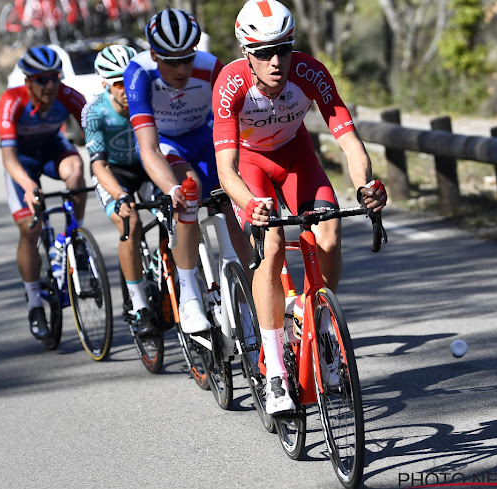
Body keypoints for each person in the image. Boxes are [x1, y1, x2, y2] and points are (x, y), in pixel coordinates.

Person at [213, 0, 387, 414]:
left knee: (329, 231)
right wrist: (250, 204)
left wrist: (366, 184)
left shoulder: (309, 71)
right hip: (250, 165)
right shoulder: (231, 84)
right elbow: (226, 169)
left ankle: (321, 325)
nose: (276, 61)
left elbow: (348, 139)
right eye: (264, 53)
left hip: (296, 158)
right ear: (245, 53)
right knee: (271, 246)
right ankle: (274, 370)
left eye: (284, 49)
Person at [122, 8, 230, 336]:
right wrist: (171, 189)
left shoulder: (211, 68)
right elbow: (148, 148)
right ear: (154, 54)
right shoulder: (139, 72)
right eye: (172, 61)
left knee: (231, 201)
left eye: (187, 58)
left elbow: (234, 127)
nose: (182, 69)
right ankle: (190, 296)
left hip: (205, 136)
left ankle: (238, 280)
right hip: (167, 144)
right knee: (189, 187)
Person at [0, 45, 88, 341]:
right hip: (22, 161)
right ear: (28, 81)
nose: (50, 85)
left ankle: (74, 238)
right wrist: (27, 186)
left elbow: (93, 133)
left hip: (51, 148)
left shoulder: (68, 94)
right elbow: (8, 158)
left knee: (76, 171)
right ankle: (34, 300)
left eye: (55, 77)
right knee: (29, 228)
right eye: (41, 79)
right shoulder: (12, 101)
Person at [83, 44, 158, 337]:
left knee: (173, 212)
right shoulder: (95, 112)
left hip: (147, 166)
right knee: (131, 223)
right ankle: (138, 306)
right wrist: (119, 195)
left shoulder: (150, 96)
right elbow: (98, 166)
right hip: (114, 173)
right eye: (118, 83)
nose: (127, 89)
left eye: (129, 80)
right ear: (104, 84)